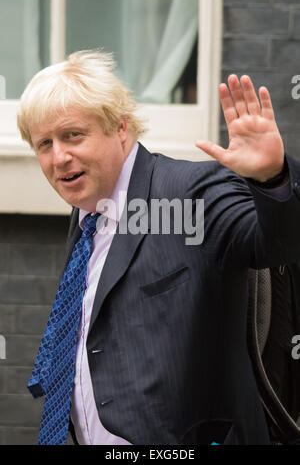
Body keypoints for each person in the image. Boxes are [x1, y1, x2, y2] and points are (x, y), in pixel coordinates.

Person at [17, 50, 300, 445]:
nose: (59, 157)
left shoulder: (188, 193)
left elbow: (279, 245)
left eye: (72, 135)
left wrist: (272, 179)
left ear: (120, 128)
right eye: (43, 143)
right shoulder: (87, 214)